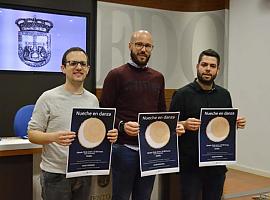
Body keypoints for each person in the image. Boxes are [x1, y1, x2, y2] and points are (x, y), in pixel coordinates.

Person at [100, 30, 184, 200]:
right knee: (121, 197)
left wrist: (173, 126)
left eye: (147, 46)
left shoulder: (158, 77)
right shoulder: (116, 75)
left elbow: (161, 112)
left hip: (150, 150)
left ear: (152, 49)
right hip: (124, 149)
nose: (143, 49)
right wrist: (122, 126)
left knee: (144, 196)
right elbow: (104, 113)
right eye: (139, 44)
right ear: (130, 46)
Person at [28, 47, 118, 200]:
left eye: (83, 64)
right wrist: (53, 137)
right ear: (63, 68)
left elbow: (93, 133)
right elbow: (32, 134)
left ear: (88, 69)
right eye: (73, 63)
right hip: (56, 174)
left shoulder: (93, 100)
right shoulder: (48, 97)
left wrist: (108, 135)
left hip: (84, 171)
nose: (78, 67)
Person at [170, 49, 246, 200]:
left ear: (217, 70)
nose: (208, 69)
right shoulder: (181, 94)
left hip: (216, 165)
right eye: (204, 64)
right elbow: (170, 127)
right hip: (191, 166)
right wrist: (183, 124)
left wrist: (235, 123)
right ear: (197, 66)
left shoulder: (224, 95)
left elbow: (225, 126)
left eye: (212, 66)